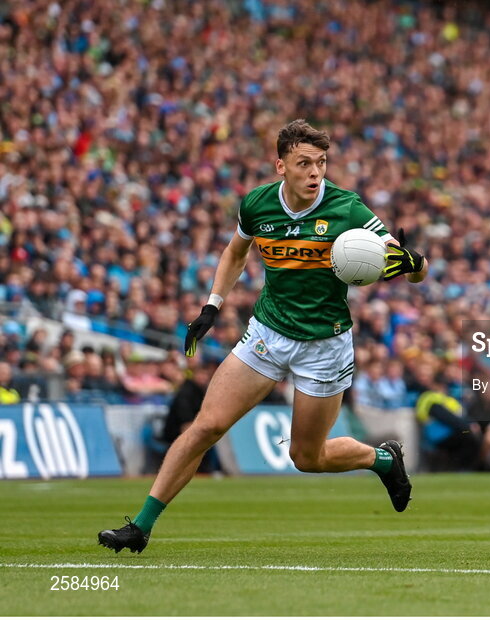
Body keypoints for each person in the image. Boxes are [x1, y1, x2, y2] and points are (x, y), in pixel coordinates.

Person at [98, 120, 428, 554]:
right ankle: (139, 527)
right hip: (266, 335)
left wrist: (412, 263)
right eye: (304, 163)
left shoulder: (348, 209)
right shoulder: (257, 205)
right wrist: (212, 305)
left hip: (324, 346)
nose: (315, 173)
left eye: (322, 163)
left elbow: (412, 268)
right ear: (281, 166)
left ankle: (382, 459)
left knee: (307, 459)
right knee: (205, 426)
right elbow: (236, 251)